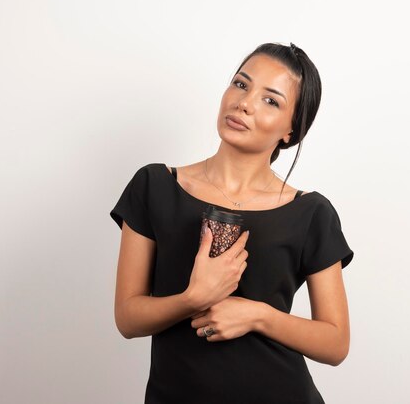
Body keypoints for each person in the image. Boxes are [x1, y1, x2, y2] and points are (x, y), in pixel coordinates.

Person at [110, 42, 354, 404]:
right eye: (241, 84)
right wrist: (193, 298)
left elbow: (335, 343)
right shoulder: (155, 186)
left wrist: (258, 316)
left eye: (271, 100)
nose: (245, 103)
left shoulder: (311, 213)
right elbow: (128, 318)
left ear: (291, 130)